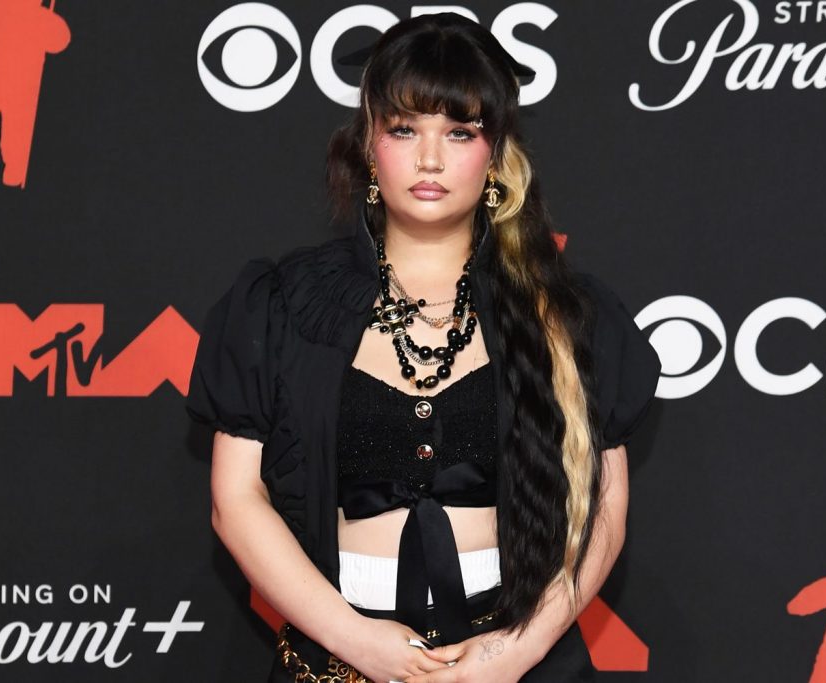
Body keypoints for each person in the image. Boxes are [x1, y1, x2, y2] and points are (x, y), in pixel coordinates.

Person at [186, 12, 661, 682]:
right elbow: (235, 499)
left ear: (494, 153)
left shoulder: (566, 311)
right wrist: (357, 640)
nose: (430, 159)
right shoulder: (284, 304)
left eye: (459, 132)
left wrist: (516, 650)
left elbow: (605, 506)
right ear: (369, 143)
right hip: (337, 660)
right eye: (404, 129)